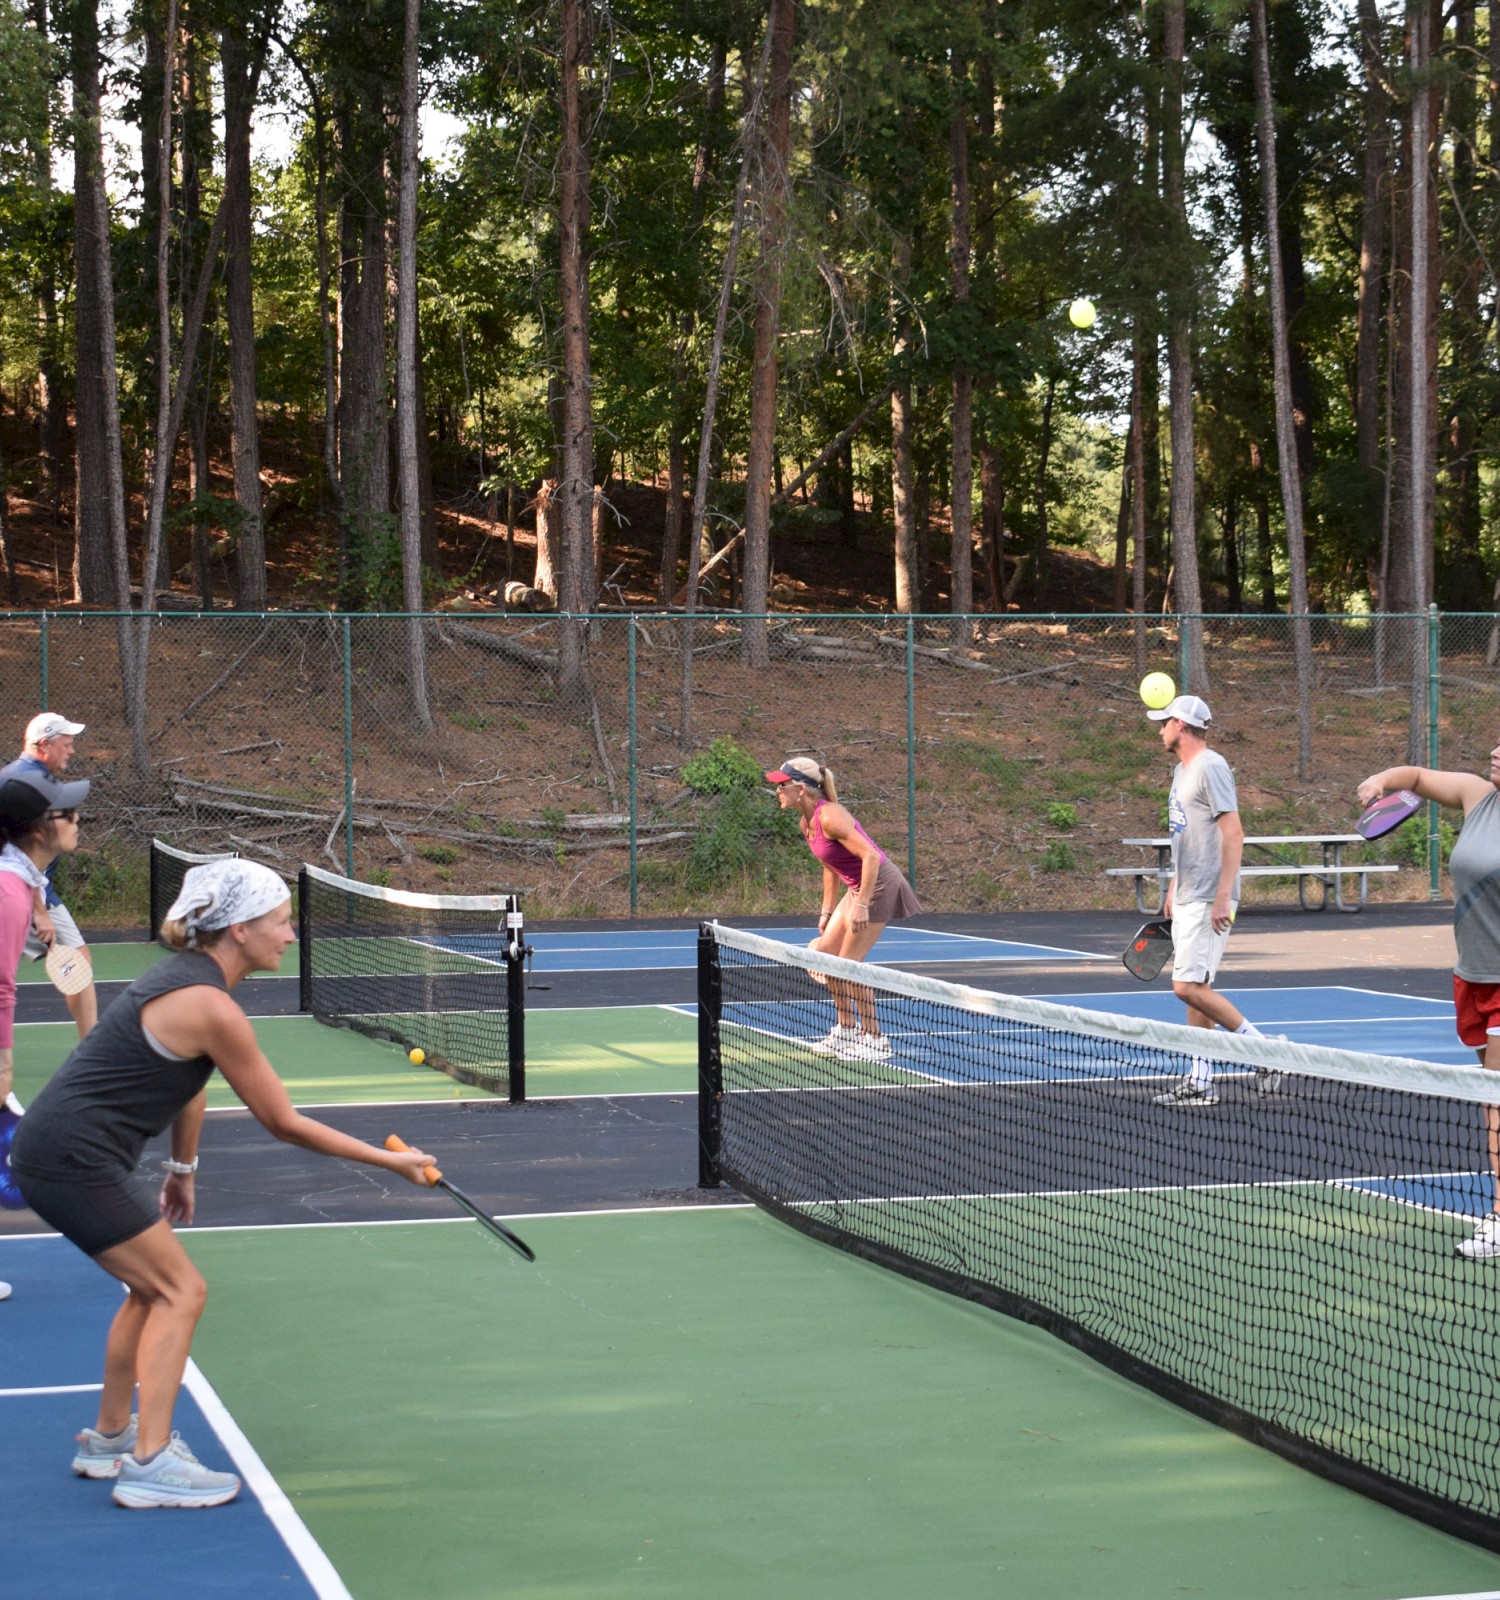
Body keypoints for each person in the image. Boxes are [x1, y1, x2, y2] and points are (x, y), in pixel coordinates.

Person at [9, 857, 437, 1508]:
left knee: (150, 1289)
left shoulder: (186, 984)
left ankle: (110, 1439)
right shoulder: (211, 1006)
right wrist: (394, 1163)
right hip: (74, 1159)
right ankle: (149, 1466)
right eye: (280, 922)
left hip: (60, 1152)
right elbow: (283, 1122)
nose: (290, 936)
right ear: (238, 930)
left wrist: (183, 1171)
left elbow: (189, 1089)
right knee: (183, 1289)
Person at [1358, 748, 1500, 1259]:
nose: (1496, 751)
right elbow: (1415, 776)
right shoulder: (1477, 797)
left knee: (1496, 1098)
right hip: (1472, 977)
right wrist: (1381, 778)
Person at [1144, 695, 1269, 1106]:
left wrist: (1222, 898)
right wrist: (1174, 885)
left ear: (1180, 724)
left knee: (1185, 986)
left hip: (1208, 897)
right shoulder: (1182, 772)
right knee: (1198, 986)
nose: (1158, 729)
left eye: (1163, 722)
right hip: (1188, 893)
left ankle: (1267, 1053)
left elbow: (1233, 833)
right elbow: (1189, 833)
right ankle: (1200, 1080)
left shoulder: (1211, 767)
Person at [765, 755, 922, 1062]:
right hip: (856, 888)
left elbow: (872, 858)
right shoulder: (806, 823)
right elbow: (830, 867)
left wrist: (862, 904)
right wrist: (825, 913)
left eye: (782, 786)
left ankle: (875, 1039)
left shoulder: (830, 816)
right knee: (825, 957)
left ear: (800, 789)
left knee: (849, 966)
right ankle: (847, 1029)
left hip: (878, 886)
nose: (777, 791)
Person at [0, 770, 89, 1302]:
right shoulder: (9, 894)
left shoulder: (18, 883)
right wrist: (4, 1060)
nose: (77, 820)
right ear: (37, 830)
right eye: (66, 813)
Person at [0, 713, 97, 1038]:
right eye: (65, 744)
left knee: (77, 960)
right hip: (18, 891)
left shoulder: (39, 779)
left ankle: (91, 1050)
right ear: (44, 745)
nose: (71, 751)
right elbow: (14, 855)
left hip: (34, 889)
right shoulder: (23, 784)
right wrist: (39, 912)